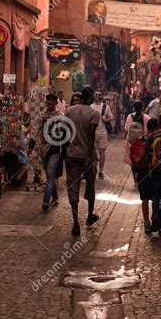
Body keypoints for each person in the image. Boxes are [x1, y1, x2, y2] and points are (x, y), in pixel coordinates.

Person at [64, 86, 100, 236]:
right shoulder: (94, 113)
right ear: (91, 99)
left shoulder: (69, 111)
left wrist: (66, 150)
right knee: (90, 185)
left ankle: (75, 223)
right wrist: (87, 155)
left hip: (72, 154)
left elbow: (64, 132)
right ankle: (90, 215)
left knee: (73, 186)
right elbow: (91, 136)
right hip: (88, 156)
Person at [36, 93, 63, 212]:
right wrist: (31, 146)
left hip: (55, 149)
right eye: (48, 101)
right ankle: (55, 196)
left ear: (56, 103)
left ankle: (45, 201)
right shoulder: (41, 116)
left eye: (52, 101)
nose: (49, 103)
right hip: (43, 149)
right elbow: (36, 130)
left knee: (50, 172)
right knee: (49, 176)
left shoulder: (60, 116)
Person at [136, 118, 159, 234]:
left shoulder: (140, 139)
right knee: (156, 197)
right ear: (157, 128)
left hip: (141, 172)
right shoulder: (157, 139)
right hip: (155, 171)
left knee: (144, 198)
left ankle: (146, 223)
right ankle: (156, 219)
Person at [124, 100, 150, 186]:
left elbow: (126, 130)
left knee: (133, 162)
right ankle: (142, 179)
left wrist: (125, 141)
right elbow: (149, 130)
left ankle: (135, 180)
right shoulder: (146, 117)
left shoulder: (129, 117)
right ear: (142, 107)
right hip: (143, 143)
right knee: (142, 161)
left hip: (131, 142)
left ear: (133, 107)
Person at [91, 90, 113, 179]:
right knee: (92, 153)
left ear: (101, 96)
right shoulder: (91, 106)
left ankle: (101, 171)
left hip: (102, 132)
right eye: (96, 94)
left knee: (102, 152)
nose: (97, 96)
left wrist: (106, 119)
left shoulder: (105, 106)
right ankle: (93, 170)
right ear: (94, 96)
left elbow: (111, 117)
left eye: (99, 95)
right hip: (93, 132)